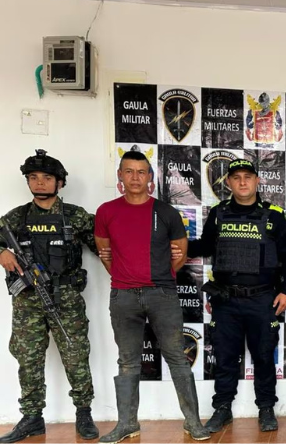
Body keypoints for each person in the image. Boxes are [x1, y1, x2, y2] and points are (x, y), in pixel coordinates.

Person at [94, 150, 209, 442]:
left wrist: (160, 276)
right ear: (120, 175)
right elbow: (105, 252)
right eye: (129, 171)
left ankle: (193, 423)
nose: (135, 177)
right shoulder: (106, 211)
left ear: (150, 177)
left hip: (162, 295)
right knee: (127, 361)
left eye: (141, 172)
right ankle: (126, 424)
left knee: (178, 358)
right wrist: (125, 276)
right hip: (123, 296)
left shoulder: (166, 212)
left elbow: (180, 254)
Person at [187, 159, 286, 433]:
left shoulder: (274, 215)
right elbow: (205, 246)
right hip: (226, 299)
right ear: (229, 183)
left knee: (263, 356)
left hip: (262, 299)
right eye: (236, 177)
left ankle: (266, 408)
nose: (243, 182)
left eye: (248, 176)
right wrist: (174, 243)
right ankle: (222, 408)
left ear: (257, 181)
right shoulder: (219, 213)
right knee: (224, 357)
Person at [0, 150, 100, 443]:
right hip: (27, 301)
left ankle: (84, 413)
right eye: (33, 177)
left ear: (60, 182)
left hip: (65, 299)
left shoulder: (75, 216)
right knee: (28, 358)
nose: (40, 182)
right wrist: (2, 251)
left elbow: (104, 246)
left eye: (47, 177)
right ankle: (32, 418)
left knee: (75, 354)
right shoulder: (16, 218)